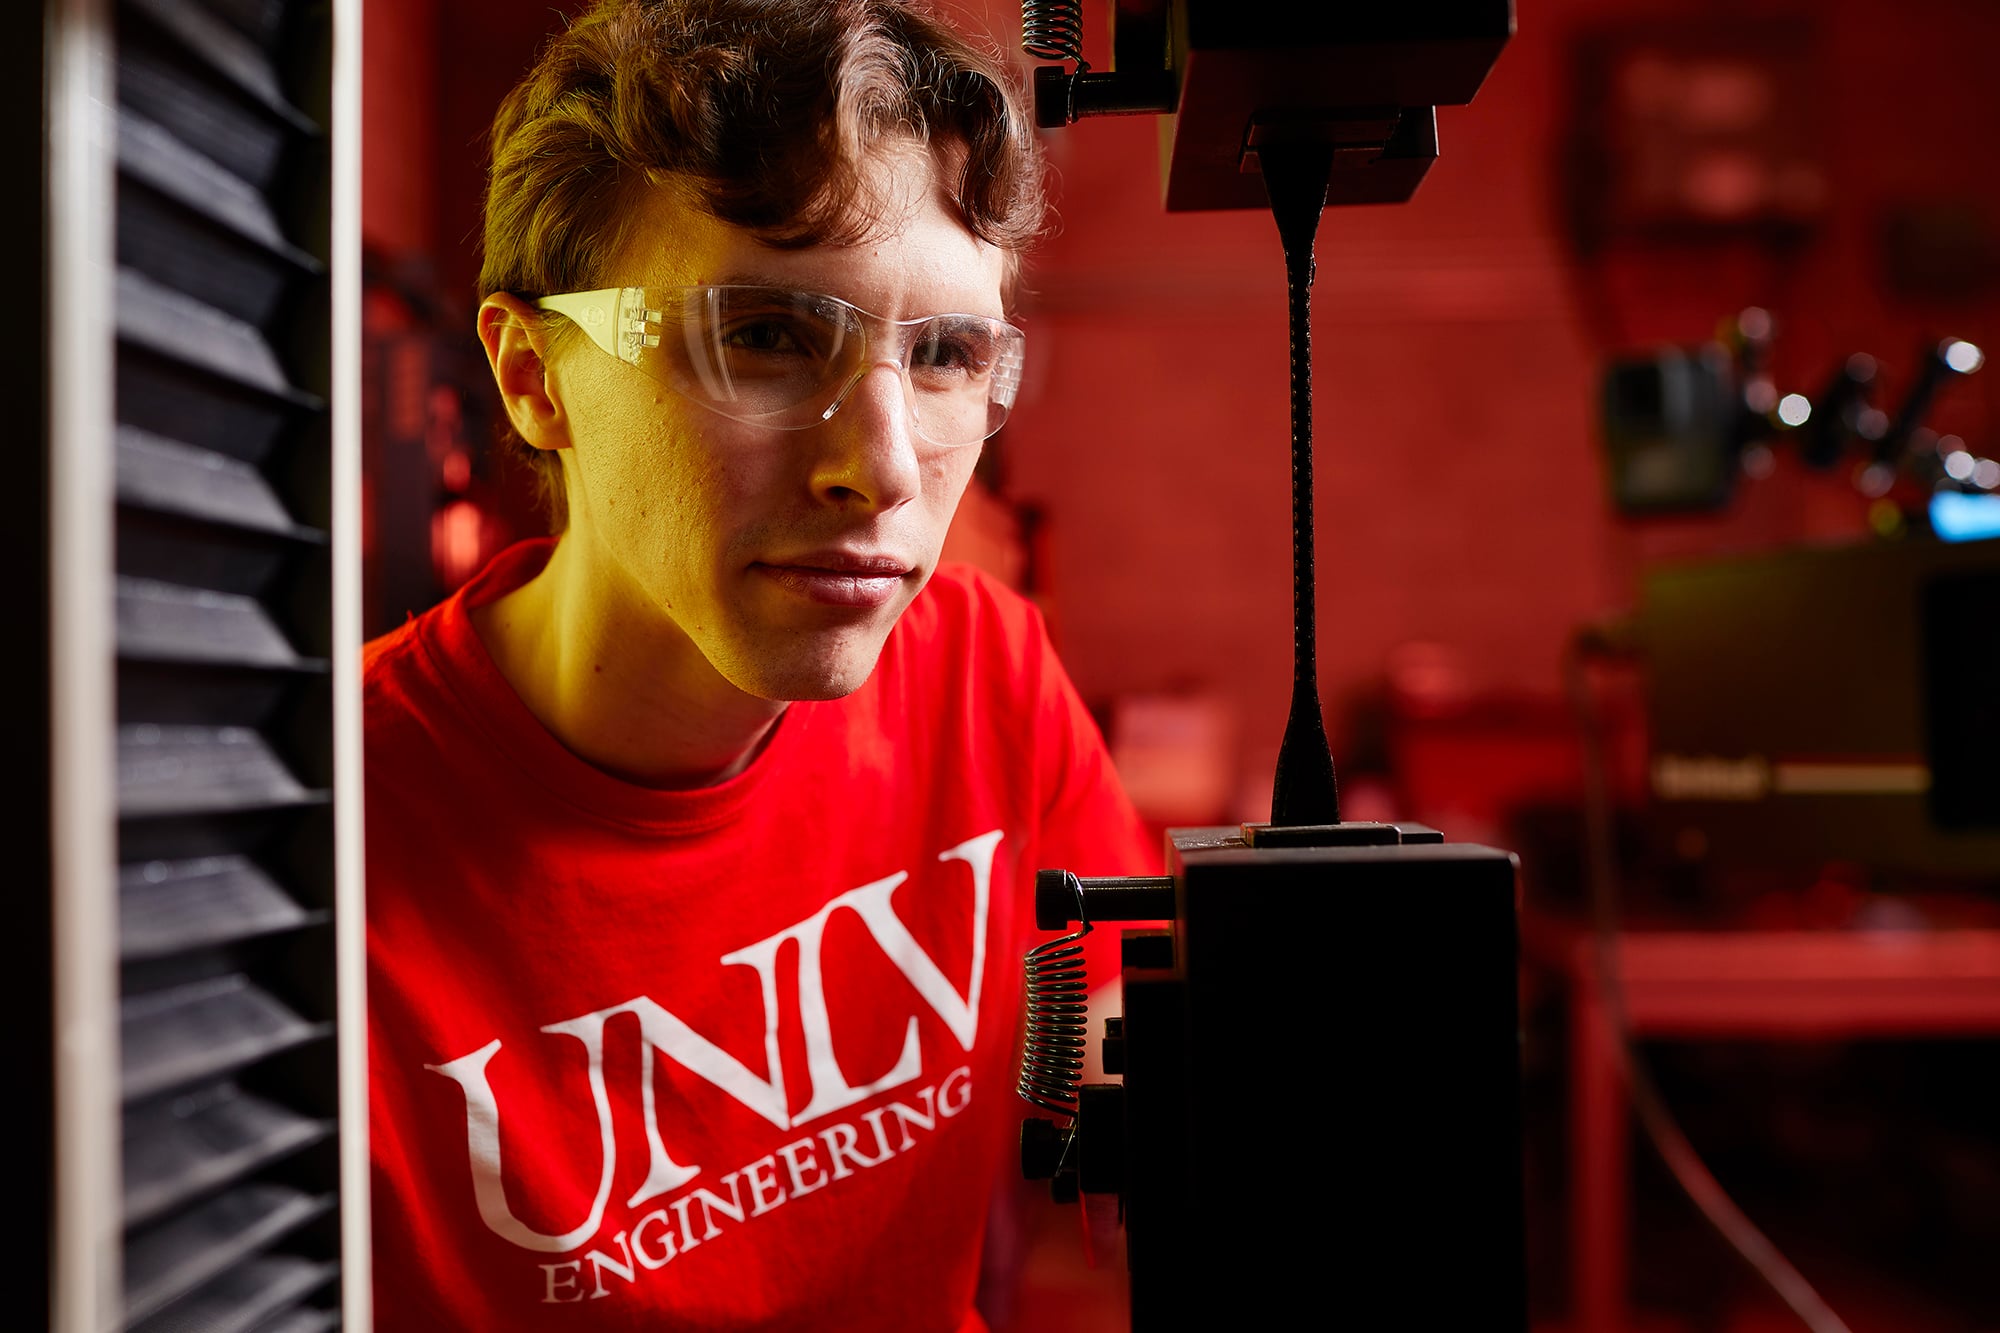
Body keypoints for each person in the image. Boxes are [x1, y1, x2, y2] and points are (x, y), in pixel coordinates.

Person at [362, 1, 1155, 1328]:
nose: (887, 469)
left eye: (950, 354)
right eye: (772, 337)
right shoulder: (314, 824)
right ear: (532, 375)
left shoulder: (981, 668)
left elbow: (1095, 1041)